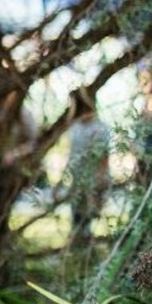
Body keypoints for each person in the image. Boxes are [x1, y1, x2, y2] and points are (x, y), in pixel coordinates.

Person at [65, 90, 110, 242]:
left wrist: (100, 178)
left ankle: (87, 246)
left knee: (89, 216)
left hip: (93, 179)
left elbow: (104, 156)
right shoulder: (75, 127)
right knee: (77, 214)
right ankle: (78, 242)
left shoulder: (99, 128)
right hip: (77, 179)